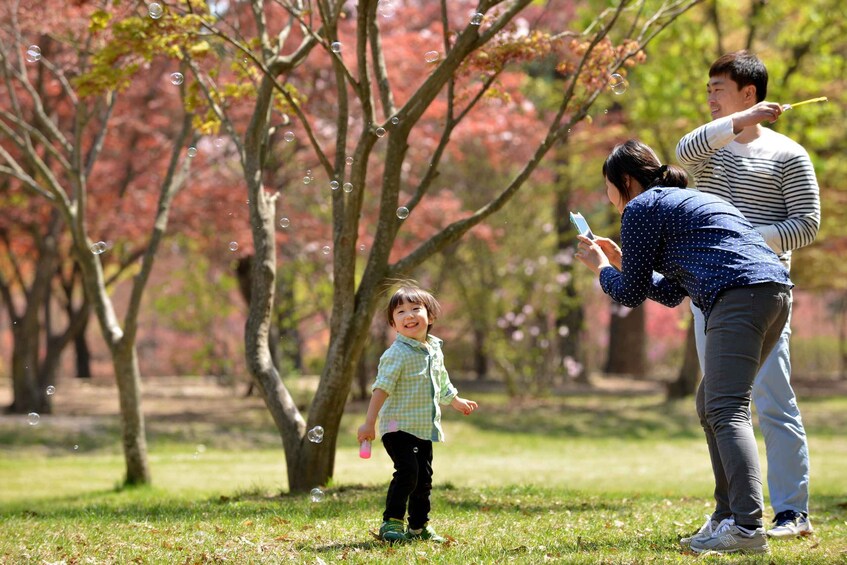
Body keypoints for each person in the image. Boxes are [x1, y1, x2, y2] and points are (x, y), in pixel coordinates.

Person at [575, 139, 793, 554]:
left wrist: (602, 270)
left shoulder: (642, 207)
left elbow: (631, 295)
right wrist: (622, 263)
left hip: (739, 296)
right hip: (773, 294)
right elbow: (673, 293)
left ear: (625, 181)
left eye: (608, 187)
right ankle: (727, 515)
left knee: (726, 409)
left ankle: (747, 528)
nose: (608, 197)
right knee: (709, 402)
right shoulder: (688, 201)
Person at [676, 50, 819, 540]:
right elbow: (683, 152)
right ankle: (729, 512)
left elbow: (806, 224)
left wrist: (741, 238)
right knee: (718, 404)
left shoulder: (788, 154)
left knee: (773, 399)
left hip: (761, 292)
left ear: (749, 91)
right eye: (709, 88)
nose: (710, 96)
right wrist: (738, 121)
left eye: (719, 88)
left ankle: (791, 512)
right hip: (707, 291)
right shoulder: (710, 145)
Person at [357, 285, 478, 543]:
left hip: (424, 428)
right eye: (400, 312)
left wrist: (456, 401)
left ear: (430, 316)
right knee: (408, 473)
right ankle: (391, 522)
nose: (408, 315)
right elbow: (381, 388)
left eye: (415, 309)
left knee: (423, 480)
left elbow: (441, 382)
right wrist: (369, 422)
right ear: (393, 324)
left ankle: (419, 528)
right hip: (398, 427)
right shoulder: (396, 354)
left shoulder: (434, 349)